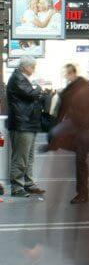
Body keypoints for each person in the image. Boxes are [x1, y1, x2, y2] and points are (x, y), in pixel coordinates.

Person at [49, 64, 89, 204]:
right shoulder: (84, 88)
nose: (65, 76)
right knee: (80, 160)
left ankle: (82, 194)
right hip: (84, 127)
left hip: (85, 128)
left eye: (66, 74)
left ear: (71, 74)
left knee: (80, 161)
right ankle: (82, 193)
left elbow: (62, 112)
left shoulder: (78, 89)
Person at [5, 56, 46, 197]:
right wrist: (39, 88)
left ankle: (29, 184)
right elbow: (31, 94)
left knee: (28, 157)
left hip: (29, 123)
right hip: (21, 123)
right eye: (32, 67)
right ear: (24, 66)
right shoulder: (17, 78)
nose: (34, 69)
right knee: (20, 158)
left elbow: (34, 96)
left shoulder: (23, 79)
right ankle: (17, 187)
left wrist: (37, 92)